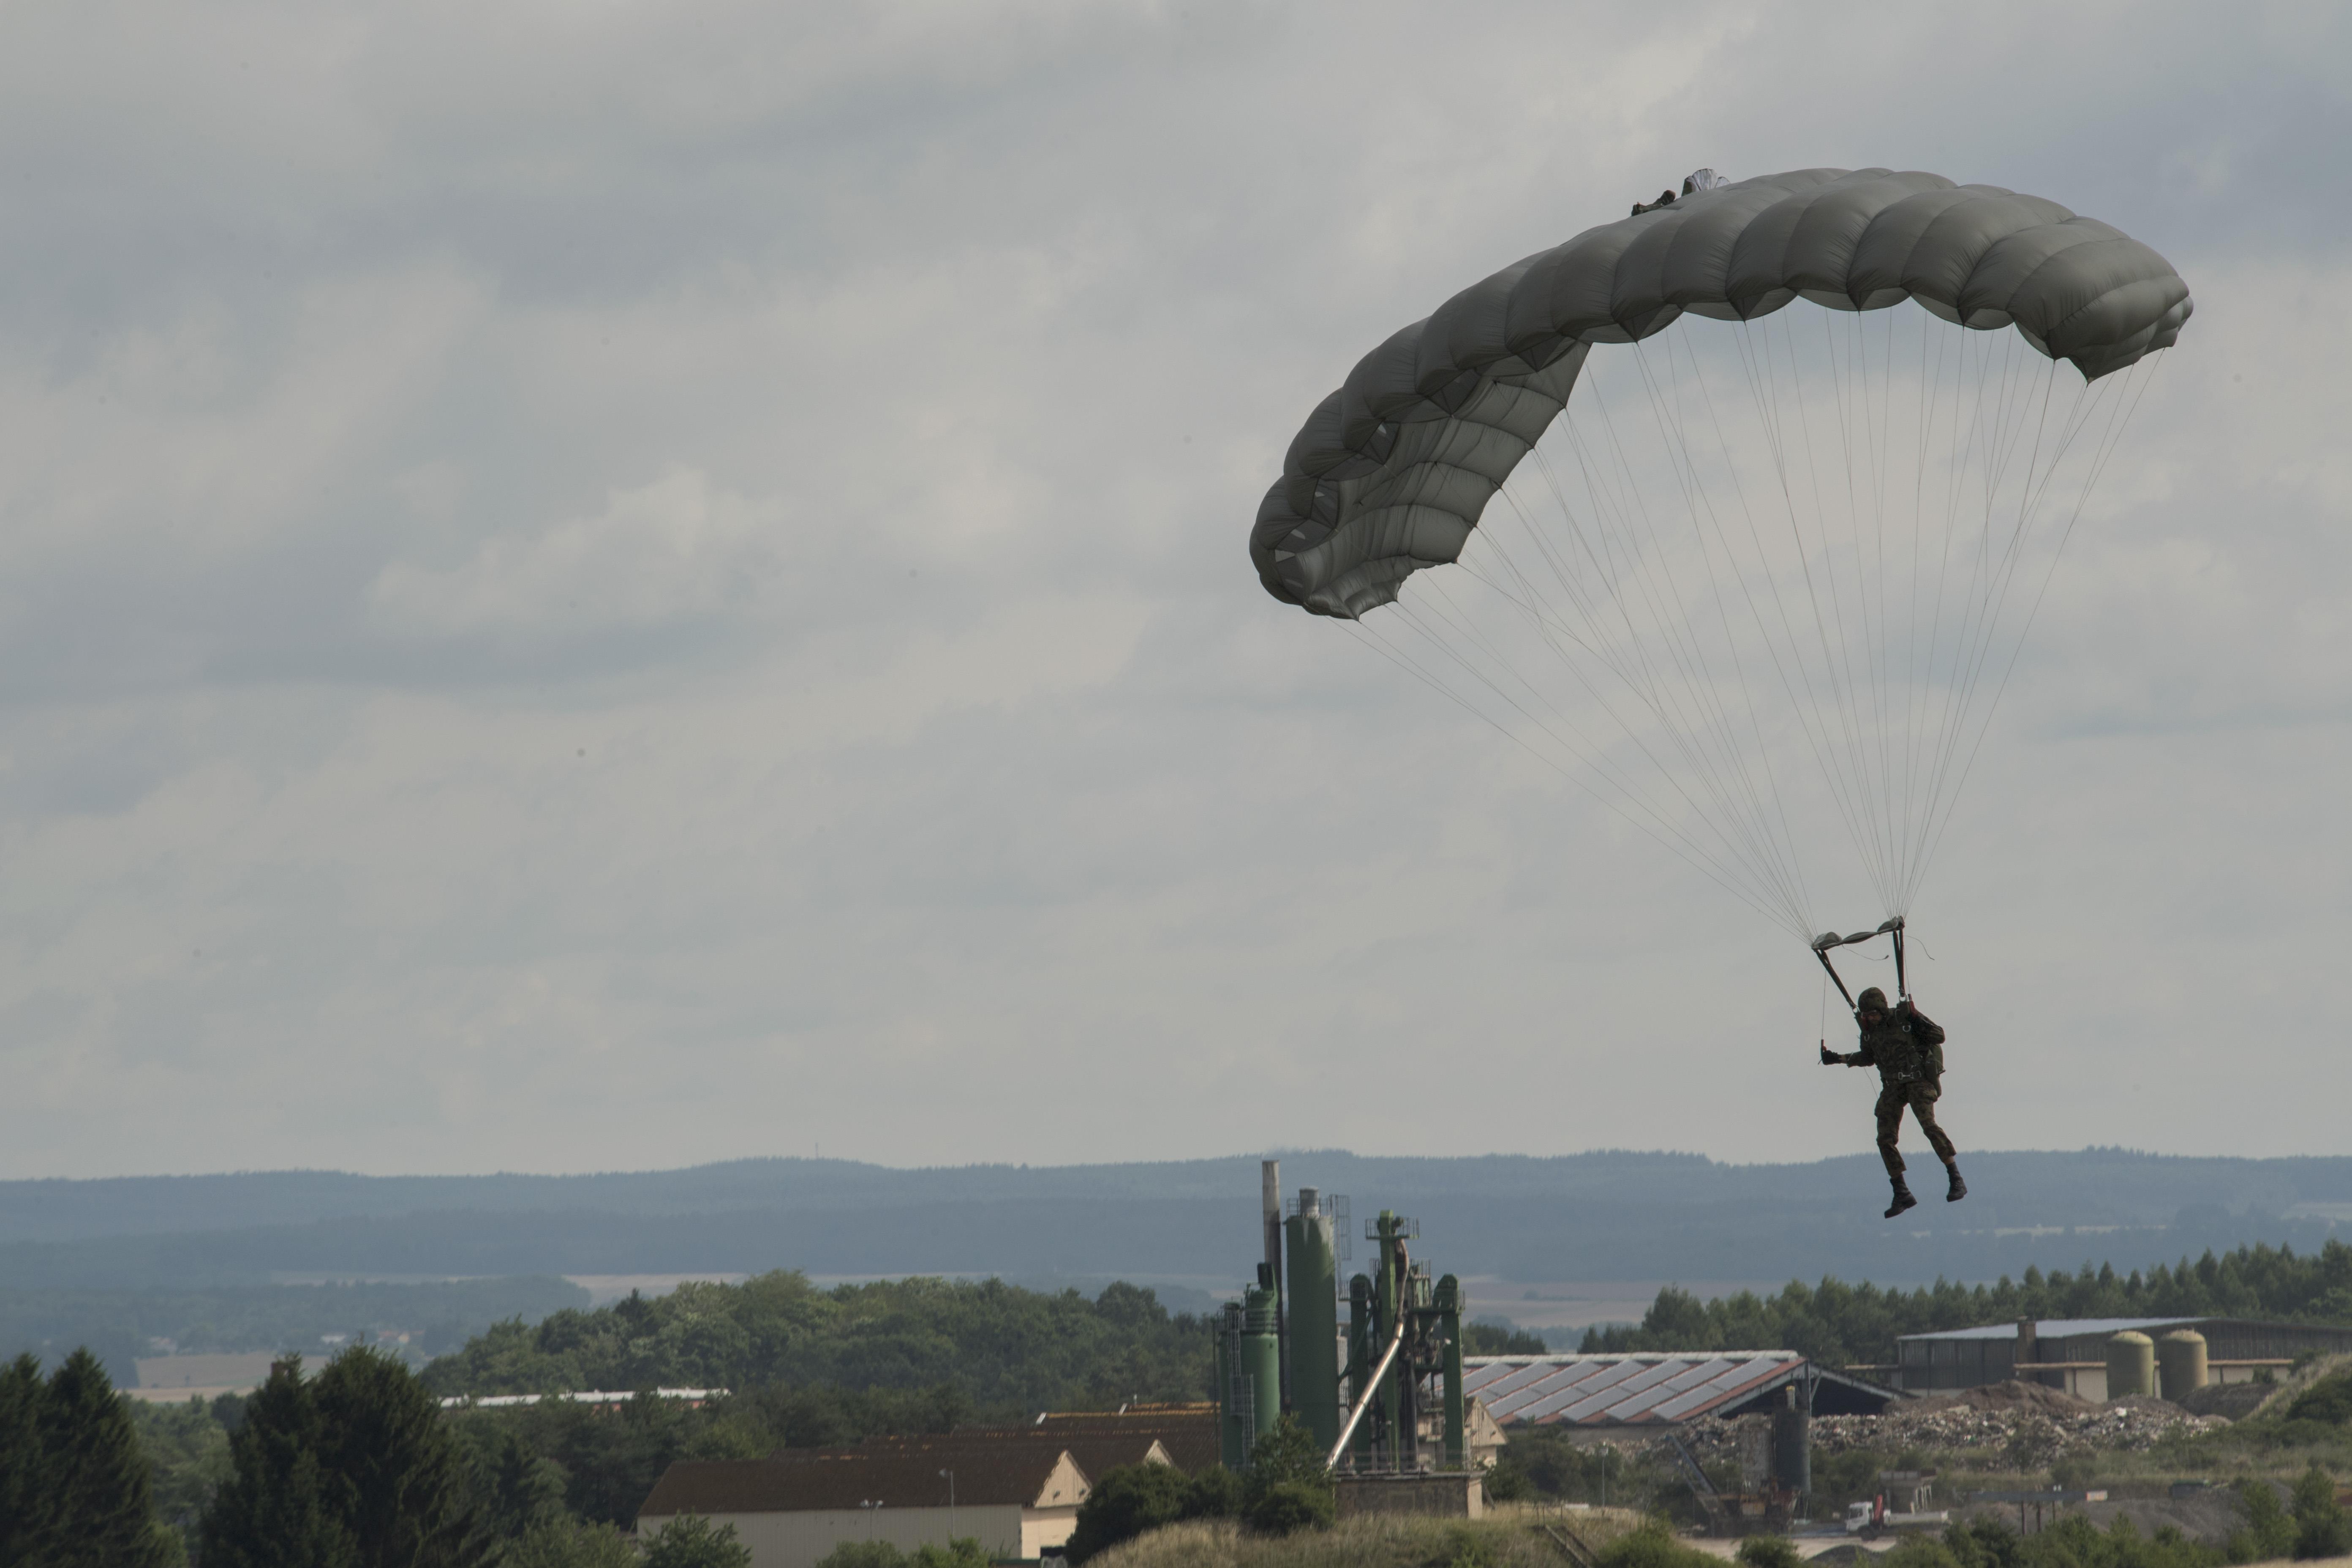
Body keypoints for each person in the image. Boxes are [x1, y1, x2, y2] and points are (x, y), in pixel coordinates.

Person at [1819, 987, 1966, 1217]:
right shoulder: (1869, 1032)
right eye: (1866, 1016)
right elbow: (1868, 1057)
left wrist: (1917, 1019)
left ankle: (1955, 1178)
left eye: (1873, 1014)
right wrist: (1838, 1059)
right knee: (1884, 1139)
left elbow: (1939, 1036)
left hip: (1918, 1081)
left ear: (1881, 1009)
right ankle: (1901, 1192)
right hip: (1893, 1086)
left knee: (1928, 1126)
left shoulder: (1904, 1018)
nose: (1870, 1019)